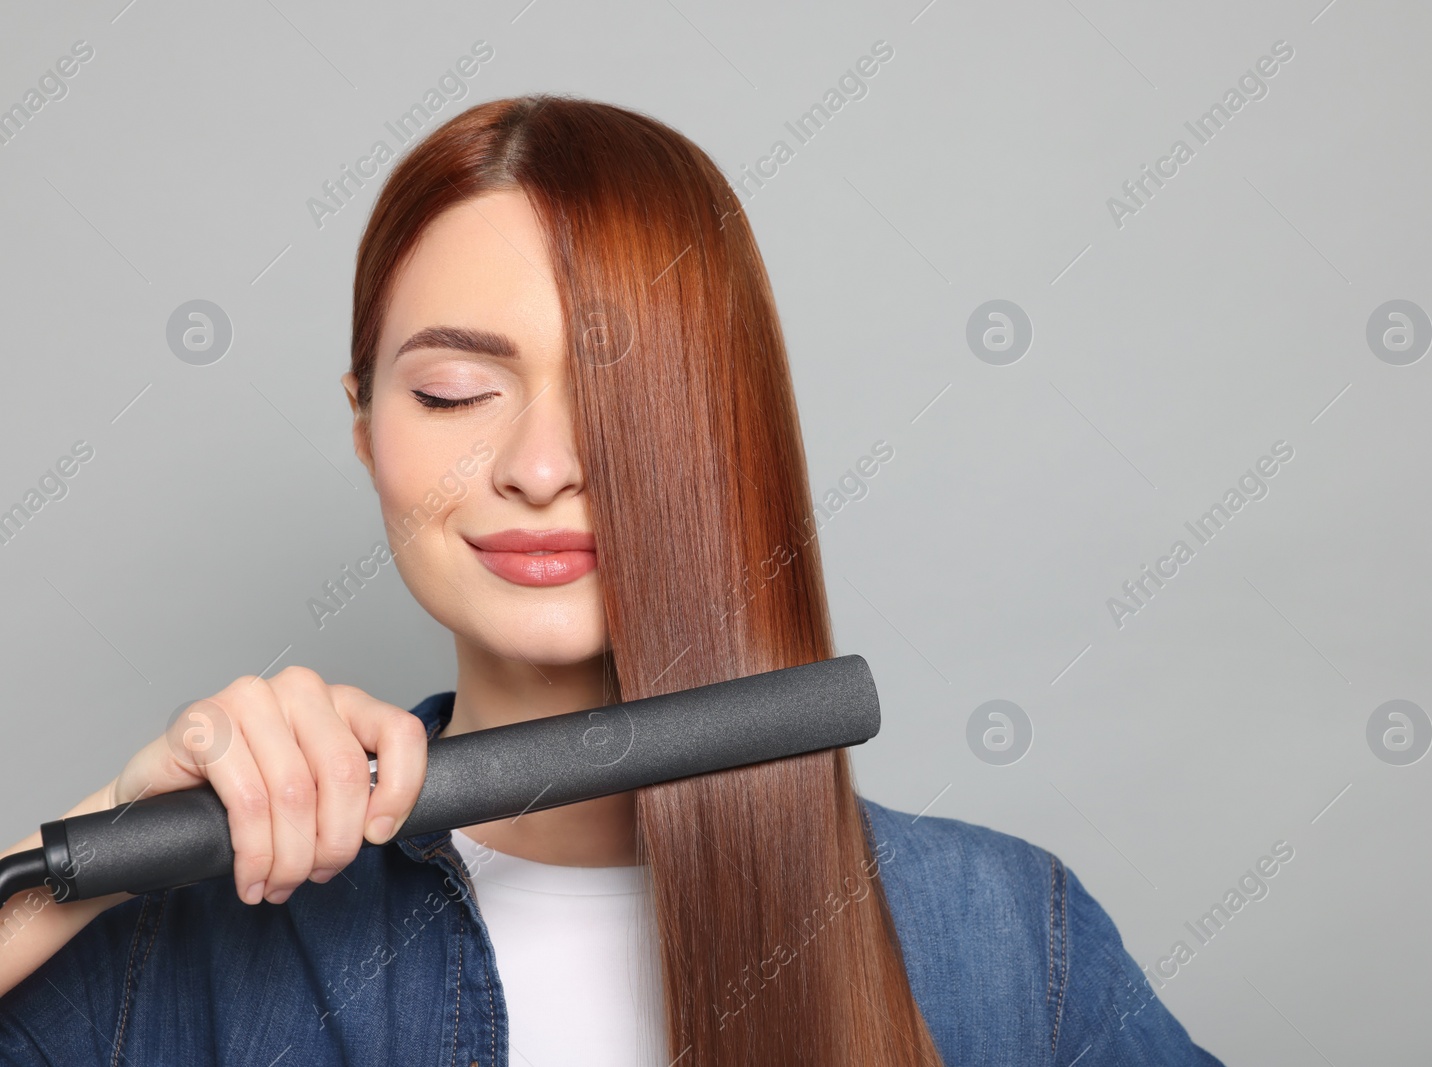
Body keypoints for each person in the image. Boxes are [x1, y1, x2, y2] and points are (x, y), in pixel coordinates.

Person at [0, 94, 1224, 1066]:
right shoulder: (169, 957)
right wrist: (86, 852)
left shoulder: (1008, 944)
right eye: (454, 393)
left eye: (622, 400)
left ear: (732, 432)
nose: (540, 468)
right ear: (366, 425)